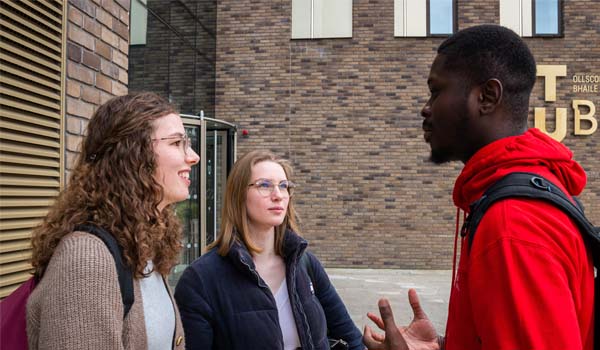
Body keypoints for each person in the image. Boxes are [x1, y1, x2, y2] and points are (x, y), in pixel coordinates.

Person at [363, 25, 594, 350]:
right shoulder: (524, 188)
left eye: (436, 91)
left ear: (486, 97)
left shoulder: (512, 225)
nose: (425, 108)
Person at [26, 92, 200, 349]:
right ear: (133, 155)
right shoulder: (86, 259)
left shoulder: (140, 244)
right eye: (176, 143)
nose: (193, 156)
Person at [174, 150, 363, 350]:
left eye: (284, 186)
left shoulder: (304, 264)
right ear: (239, 195)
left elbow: (351, 338)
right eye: (264, 185)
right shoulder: (201, 279)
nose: (278, 195)